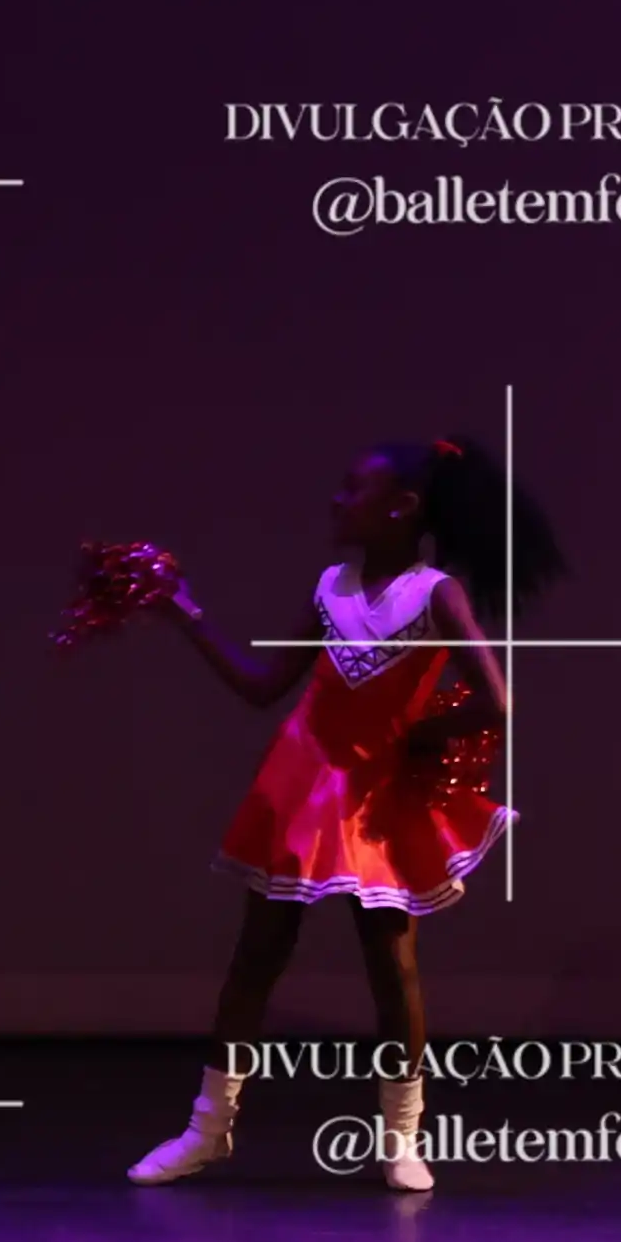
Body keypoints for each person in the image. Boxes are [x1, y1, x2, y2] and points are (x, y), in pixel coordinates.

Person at [112, 438, 549, 1193]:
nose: (337, 501)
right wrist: (185, 613)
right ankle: (206, 1130)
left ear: (402, 507)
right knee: (257, 955)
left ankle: (402, 1139)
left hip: (375, 799)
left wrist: (420, 737)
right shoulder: (330, 587)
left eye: (353, 490)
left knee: (391, 961)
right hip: (302, 783)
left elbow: (495, 700)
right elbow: (263, 685)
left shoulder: (435, 594)